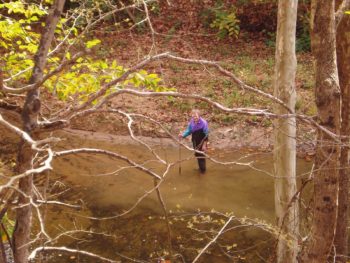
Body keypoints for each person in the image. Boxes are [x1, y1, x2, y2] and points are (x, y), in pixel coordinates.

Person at [179, 109, 209, 173]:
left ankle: (203, 171)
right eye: (193, 116)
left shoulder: (204, 123)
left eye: (196, 116)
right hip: (195, 141)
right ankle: (200, 168)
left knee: (201, 156)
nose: (195, 117)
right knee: (197, 154)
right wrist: (183, 135)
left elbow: (206, 135)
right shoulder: (192, 122)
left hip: (202, 141)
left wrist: (204, 145)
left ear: (199, 116)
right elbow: (189, 131)